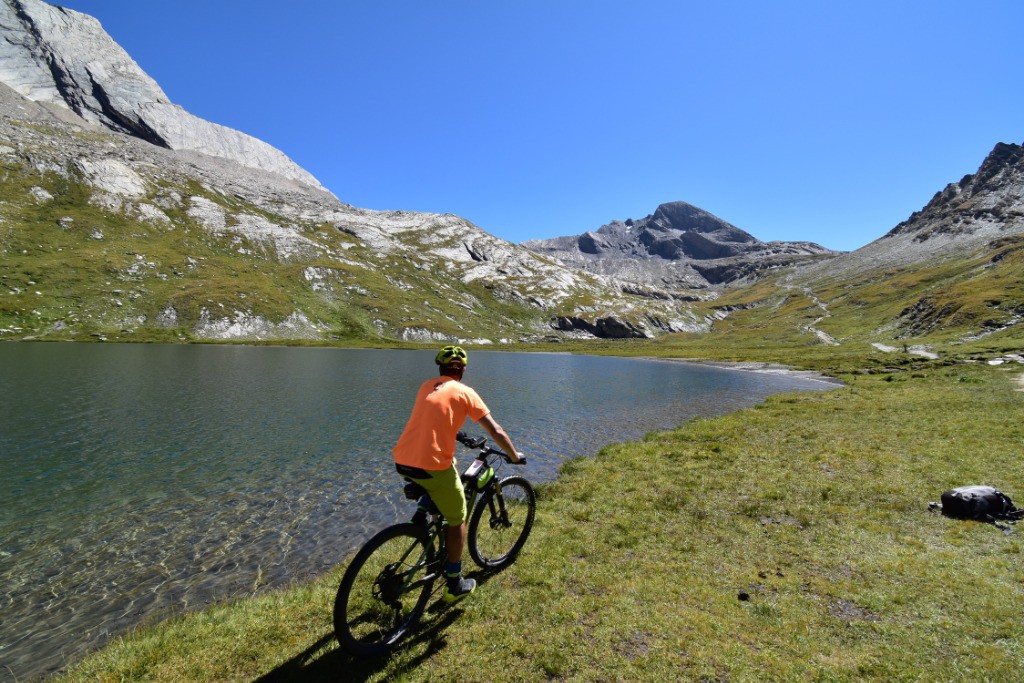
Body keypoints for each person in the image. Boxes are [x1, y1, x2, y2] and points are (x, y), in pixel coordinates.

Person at [392, 345, 523, 602]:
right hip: (431, 465)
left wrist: (459, 435)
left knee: (447, 472)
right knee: (458, 517)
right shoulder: (466, 392)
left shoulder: (427, 385)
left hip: (403, 458)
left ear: (440, 368)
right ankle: (454, 582)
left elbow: (434, 419)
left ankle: (419, 518)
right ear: (462, 371)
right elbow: (495, 430)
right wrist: (514, 455)